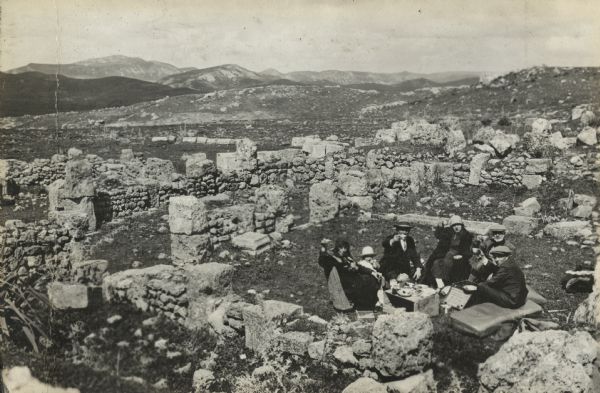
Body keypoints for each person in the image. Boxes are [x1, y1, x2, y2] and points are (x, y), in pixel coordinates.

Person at [317, 239, 380, 311]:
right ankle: (363, 306)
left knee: (371, 279)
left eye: (345, 247)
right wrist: (323, 248)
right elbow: (322, 261)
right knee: (363, 282)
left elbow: (359, 266)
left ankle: (369, 305)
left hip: (353, 277)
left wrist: (371, 272)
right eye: (341, 248)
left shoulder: (347, 257)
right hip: (342, 281)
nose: (343, 250)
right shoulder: (333, 258)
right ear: (337, 248)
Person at [426, 215, 473, 288]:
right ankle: (437, 282)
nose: (456, 227)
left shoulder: (466, 235)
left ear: (461, 225)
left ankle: (443, 281)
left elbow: (468, 249)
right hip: (445, 251)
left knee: (448, 262)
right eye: (454, 225)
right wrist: (440, 226)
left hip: (458, 253)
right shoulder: (449, 232)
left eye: (458, 225)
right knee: (435, 261)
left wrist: (462, 255)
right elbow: (438, 235)